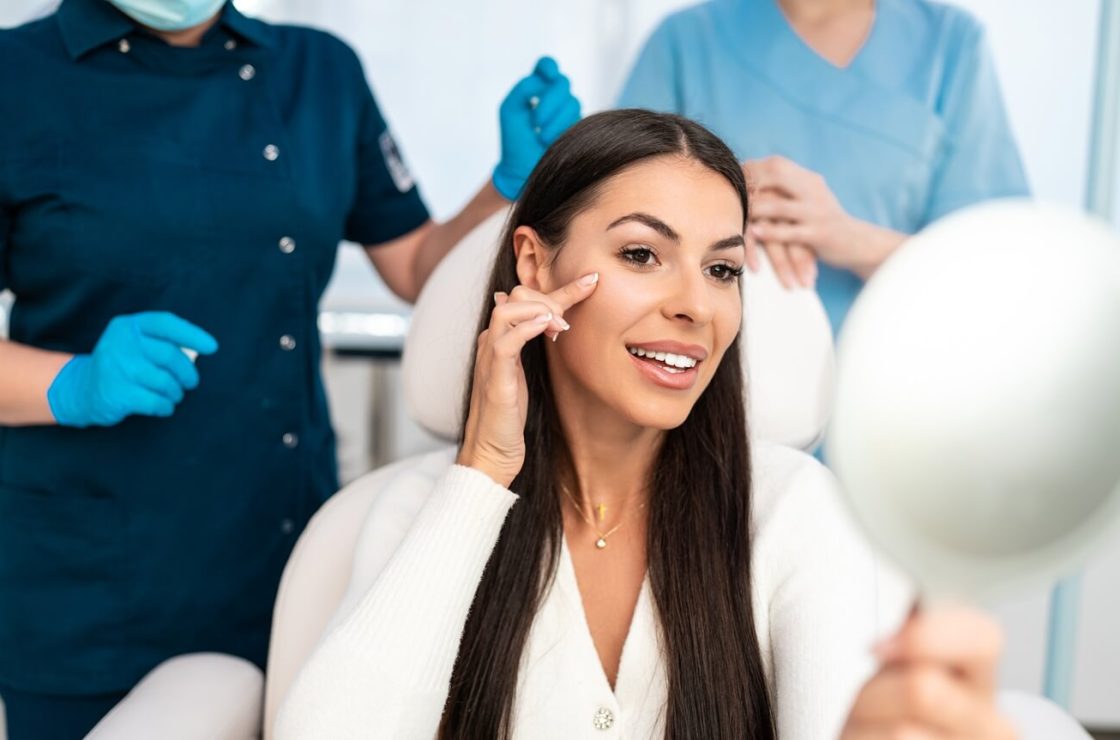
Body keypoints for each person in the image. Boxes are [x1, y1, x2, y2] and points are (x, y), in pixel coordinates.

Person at [274, 110, 1015, 739]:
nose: (696, 305)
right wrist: (482, 473)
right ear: (533, 265)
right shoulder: (420, 509)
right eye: (642, 254)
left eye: (723, 270)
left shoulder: (793, 512)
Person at [0, 0, 580, 736]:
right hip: (89, 587)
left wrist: (509, 183)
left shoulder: (318, 71)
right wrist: (69, 384)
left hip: (282, 550)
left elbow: (415, 267)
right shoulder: (14, 76)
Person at [617, 0, 1029, 335]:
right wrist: (715, 201)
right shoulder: (685, 42)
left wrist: (853, 240)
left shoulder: (951, 46)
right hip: (707, 381)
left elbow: (993, 272)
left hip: (894, 390)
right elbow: (617, 224)